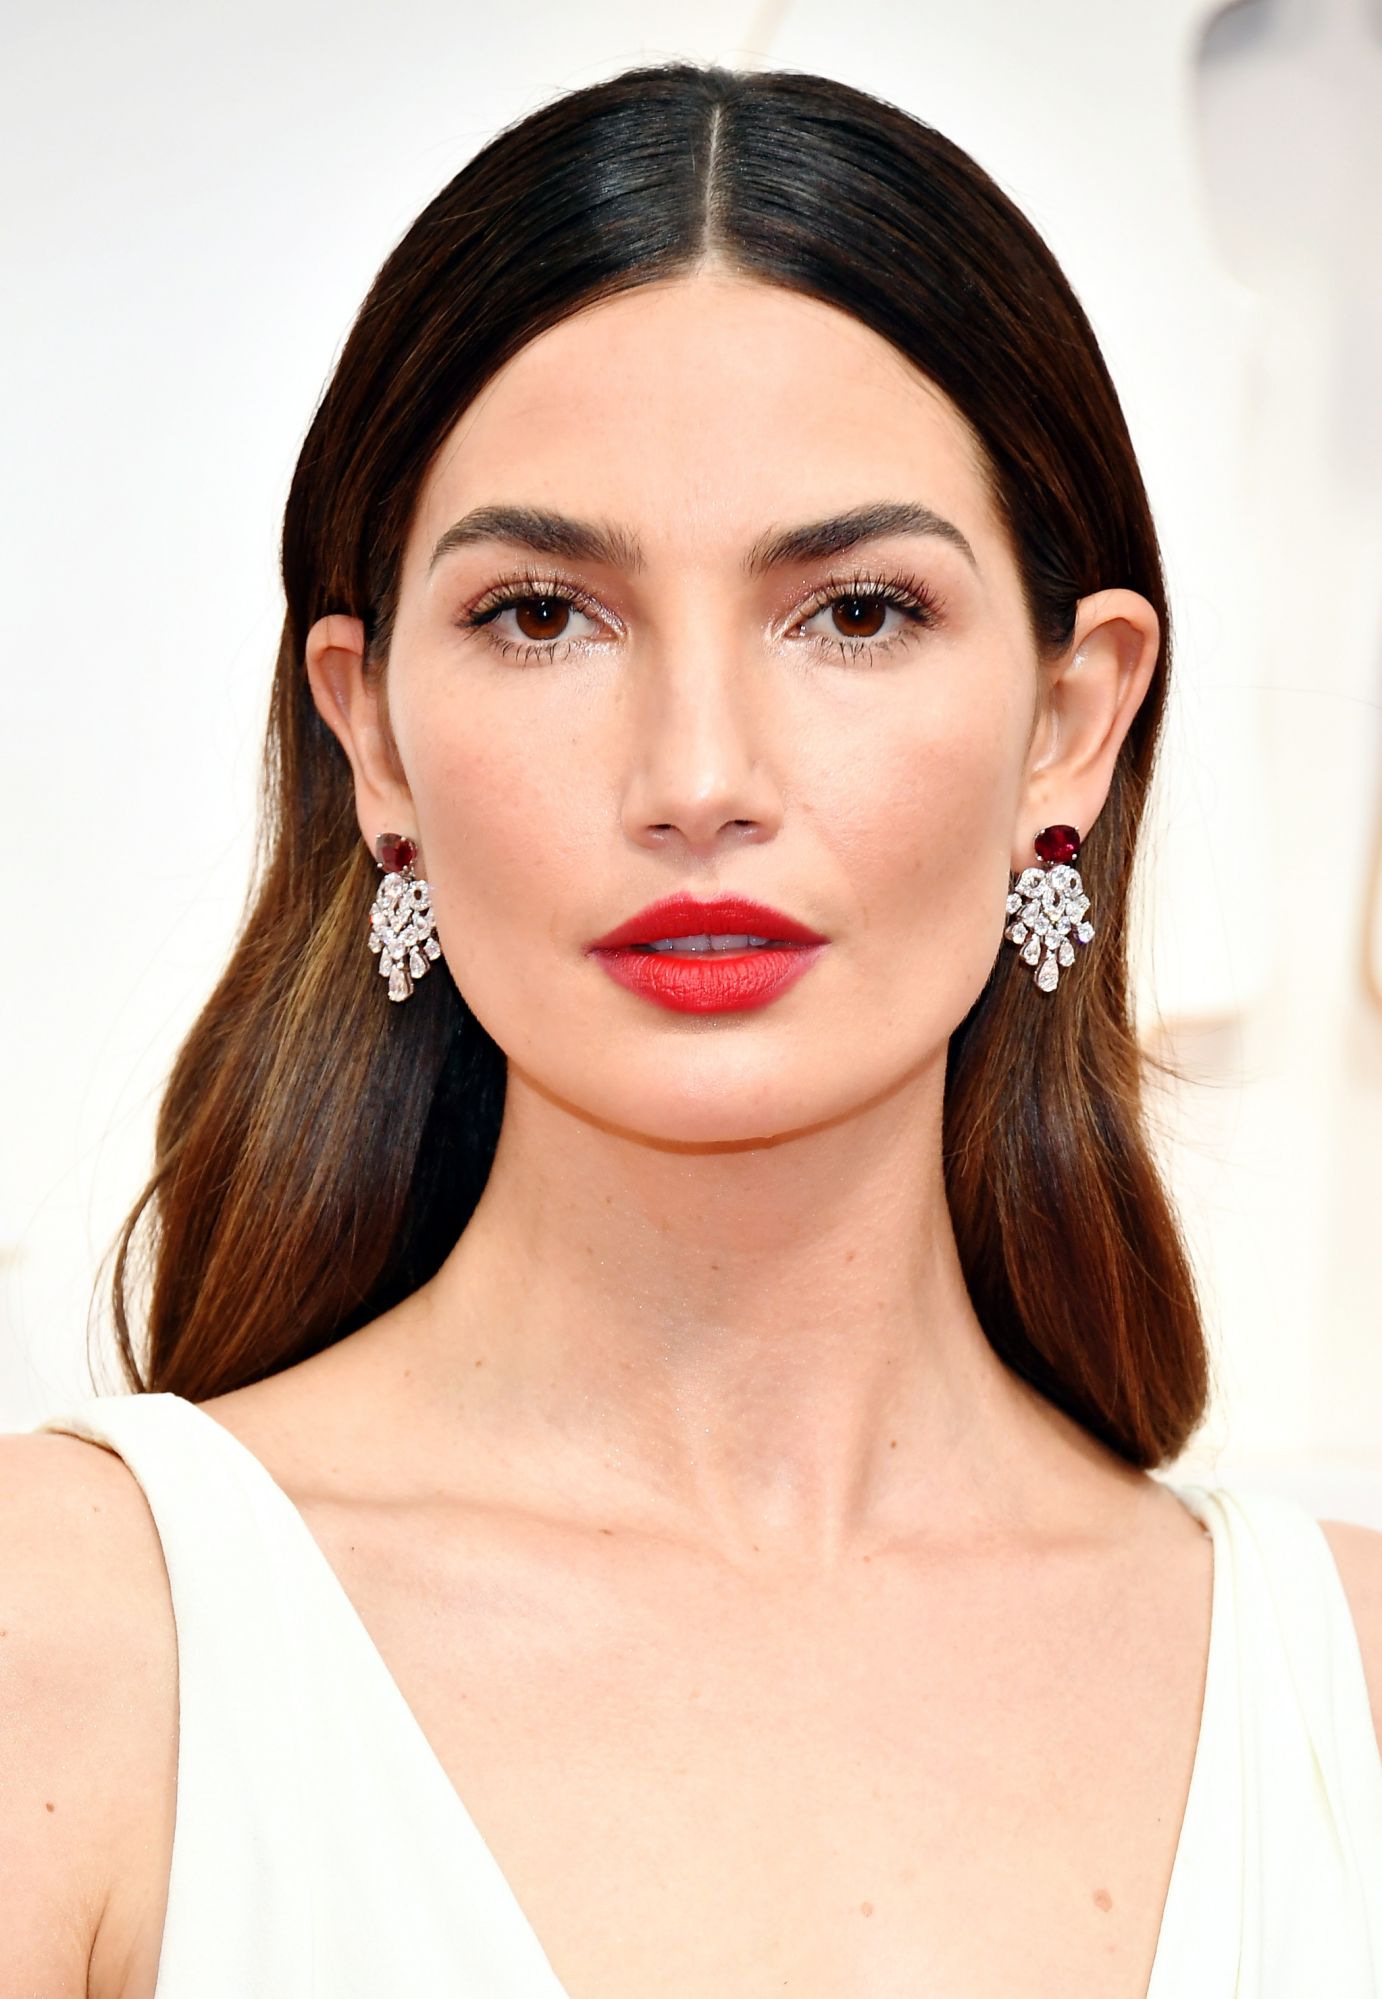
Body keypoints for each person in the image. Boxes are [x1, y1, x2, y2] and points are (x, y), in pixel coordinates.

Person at [5, 59, 1380, 1999]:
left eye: (856, 611)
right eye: (546, 613)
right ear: (373, 729)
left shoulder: (1348, 1716)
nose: (700, 775)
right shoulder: (61, 1648)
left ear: (1071, 721)